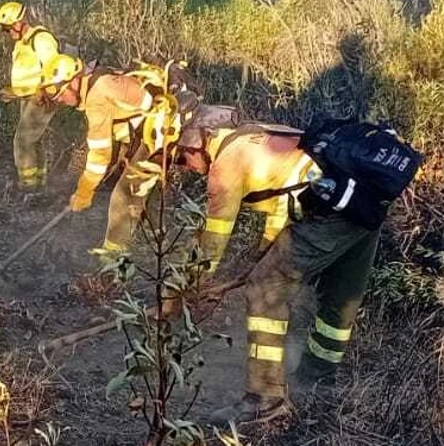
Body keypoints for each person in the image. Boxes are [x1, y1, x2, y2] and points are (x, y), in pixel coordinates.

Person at [170, 116, 420, 425]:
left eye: (181, 157)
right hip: (363, 204)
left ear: (198, 145)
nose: (184, 167)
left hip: (331, 211)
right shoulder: (254, 137)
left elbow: (211, 245)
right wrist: (260, 257)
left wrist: (178, 294)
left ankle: (264, 398)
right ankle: (318, 382)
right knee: (341, 297)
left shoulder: (225, 167)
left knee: (265, 290)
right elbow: (284, 201)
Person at [46, 60, 192, 261]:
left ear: (74, 81)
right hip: (164, 118)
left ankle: (111, 265)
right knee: (145, 190)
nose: (60, 100)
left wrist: (84, 191)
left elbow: (99, 155)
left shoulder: (96, 97)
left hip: (164, 127)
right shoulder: (98, 79)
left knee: (123, 197)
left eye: (61, 93)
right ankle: (155, 247)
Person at [0, 0, 69, 192]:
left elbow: (55, 69)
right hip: (29, 97)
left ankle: (28, 187)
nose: (7, 33)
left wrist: (43, 92)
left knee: (23, 140)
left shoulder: (41, 39)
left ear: (18, 23)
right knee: (34, 141)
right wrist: (12, 92)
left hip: (42, 97)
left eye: (8, 28)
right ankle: (38, 185)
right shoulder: (22, 43)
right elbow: (28, 75)